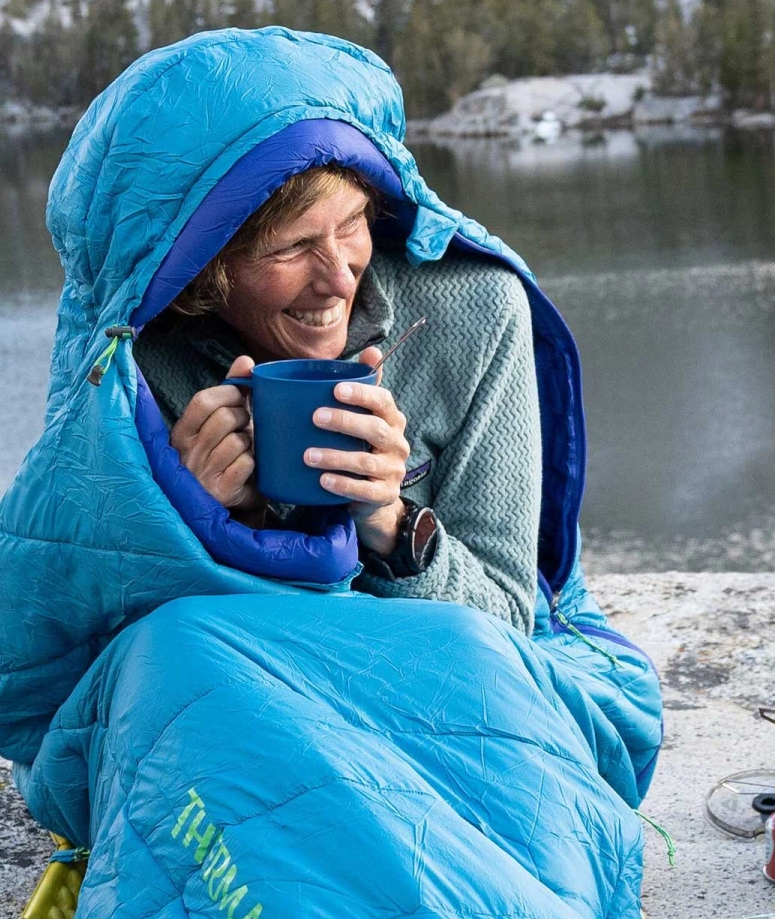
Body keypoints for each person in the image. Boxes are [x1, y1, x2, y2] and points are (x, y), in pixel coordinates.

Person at [134, 164, 543, 632]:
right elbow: (113, 628)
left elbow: (509, 621)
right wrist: (199, 526)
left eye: (351, 223)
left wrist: (390, 523)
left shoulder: (478, 310)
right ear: (205, 264)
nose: (342, 282)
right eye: (291, 247)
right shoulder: (133, 364)